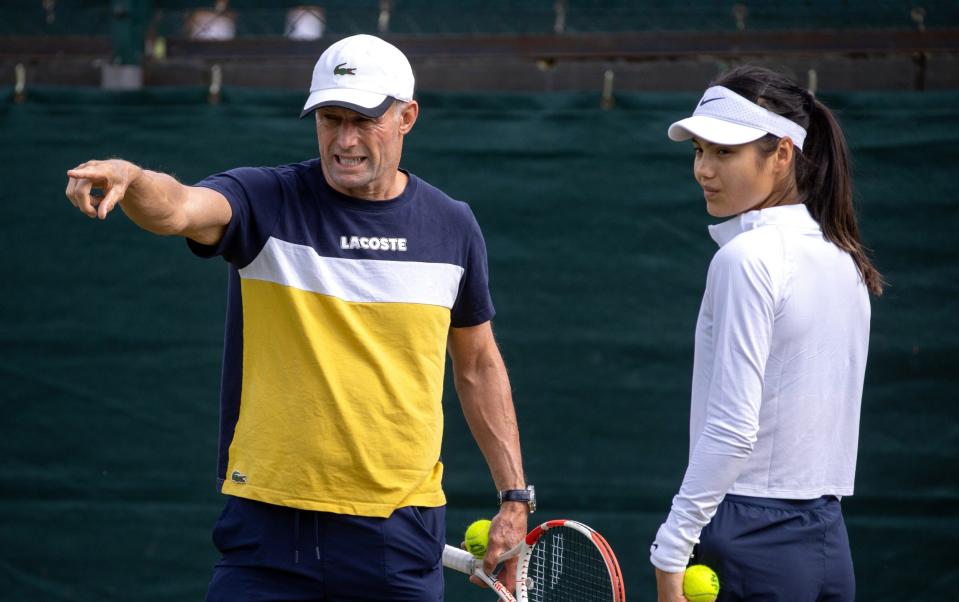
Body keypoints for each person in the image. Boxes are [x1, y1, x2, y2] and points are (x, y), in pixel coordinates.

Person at [64, 34, 533, 602]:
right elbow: (180, 207)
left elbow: (478, 365)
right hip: (266, 532)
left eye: (363, 120)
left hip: (398, 537)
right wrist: (133, 178)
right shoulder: (264, 199)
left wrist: (514, 496)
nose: (345, 139)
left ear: (407, 116)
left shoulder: (452, 226)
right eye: (330, 119)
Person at [649, 65, 883, 601]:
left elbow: (734, 428)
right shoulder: (844, 259)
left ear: (782, 154)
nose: (704, 170)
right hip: (827, 542)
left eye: (724, 152)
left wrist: (671, 550)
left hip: (749, 537)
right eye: (699, 151)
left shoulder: (746, 258)